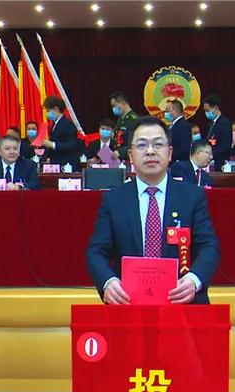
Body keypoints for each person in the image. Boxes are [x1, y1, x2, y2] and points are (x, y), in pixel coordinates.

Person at [86, 116, 220, 305]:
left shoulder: (192, 196)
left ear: (170, 152)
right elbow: (96, 251)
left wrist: (193, 280)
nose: (150, 151)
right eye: (142, 145)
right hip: (128, 303)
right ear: (131, 155)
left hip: (182, 303)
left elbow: (209, 247)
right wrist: (108, 282)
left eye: (158, 144)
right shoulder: (114, 199)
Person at [42, 96, 81, 169]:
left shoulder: (67, 124)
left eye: (48, 111)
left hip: (67, 165)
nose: (47, 114)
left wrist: (52, 144)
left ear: (56, 109)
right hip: (57, 163)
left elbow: (71, 144)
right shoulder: (55, 124)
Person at [202, 94, 232, 168]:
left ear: (216, 108)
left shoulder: (224, 123)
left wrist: (210, 154)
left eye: (207, 110)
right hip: (209, 161)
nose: (206, 113)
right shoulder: (209, 124)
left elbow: (225, 146)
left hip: (220, 162)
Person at [109, 91, 140, 160]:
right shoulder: (120, 119)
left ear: (123, 103)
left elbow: (133, 143)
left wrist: (120, 152)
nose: (113, 109)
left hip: (127, 158)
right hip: (117, 157)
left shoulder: (133, 119)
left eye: (114, 106)